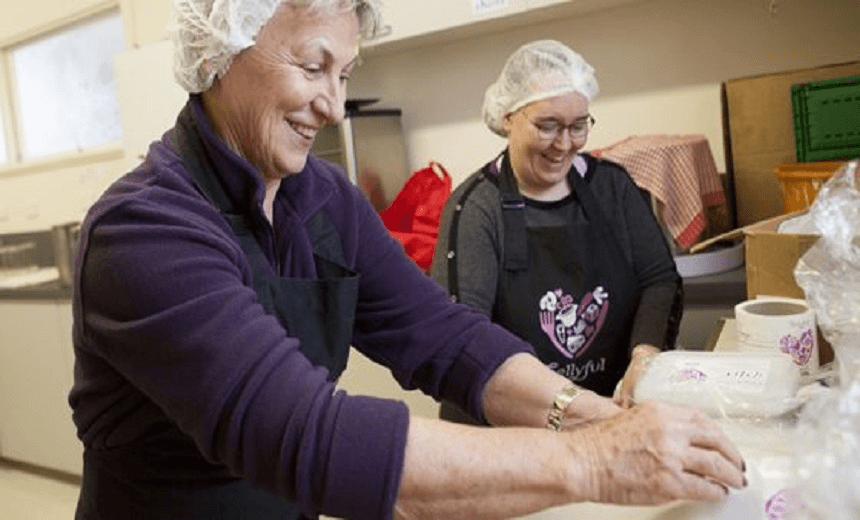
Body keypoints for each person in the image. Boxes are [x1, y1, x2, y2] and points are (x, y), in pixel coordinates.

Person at [68, 2, 744, 519]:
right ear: (219, 56)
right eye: (311, 67)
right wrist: (591, 463)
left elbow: (442, 336)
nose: (332, 106)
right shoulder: (144, 232)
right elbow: (305, 434)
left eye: (345, 73)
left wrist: (585, 413)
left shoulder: (322, 197)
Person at [431, 40, 683, 426]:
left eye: (578, 126)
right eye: (548, 126)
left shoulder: (612, 187)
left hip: (613, 409)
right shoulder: (476, 209)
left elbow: (659, 279)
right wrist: (568, 408)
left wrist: (644, 357)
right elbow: (466, 340)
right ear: (507, 118)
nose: (564, 145)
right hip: (514, 427)